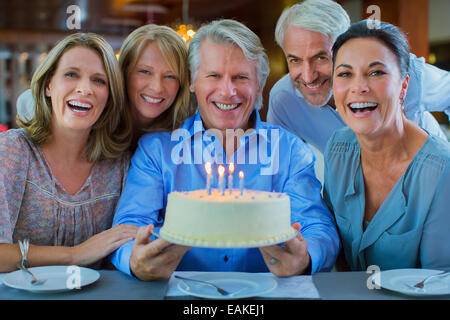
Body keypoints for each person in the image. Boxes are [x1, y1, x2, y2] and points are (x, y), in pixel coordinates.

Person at [111, 19, 340, 281]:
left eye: (241, 77)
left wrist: (306, 257)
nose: (227, 91)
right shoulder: (156, 151)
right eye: (214, 76)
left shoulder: (290, 151)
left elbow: (318, 227)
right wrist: (134, 258)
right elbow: (128, 227)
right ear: (193, 82)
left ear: (258, 85)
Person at [0, 33, 138, 272]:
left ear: (109, 97)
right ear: (48, 85)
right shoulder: (12, 151)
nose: (84, 89)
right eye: (71, 74)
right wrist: (75, 255)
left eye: (99, 81)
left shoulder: (120, 164)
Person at [323, 21, 450, 271]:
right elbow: (336, 249)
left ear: (403, 86)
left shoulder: (441, 171)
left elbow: (437, 284)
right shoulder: (337, 148)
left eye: (376, 72)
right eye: (345, 74)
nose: (359, 87)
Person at [267, 0, 449, 157]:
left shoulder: (399, 72)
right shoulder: (284, 100)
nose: (308, 76)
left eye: (321, 57)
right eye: (295, 60)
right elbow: (281, 166)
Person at [16, 24, 195, 152]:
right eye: (144, 71)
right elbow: (27, 101)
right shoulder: (95, 109)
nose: (157, 87)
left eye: (170, 76)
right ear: (123, 72)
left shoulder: (184, 132)